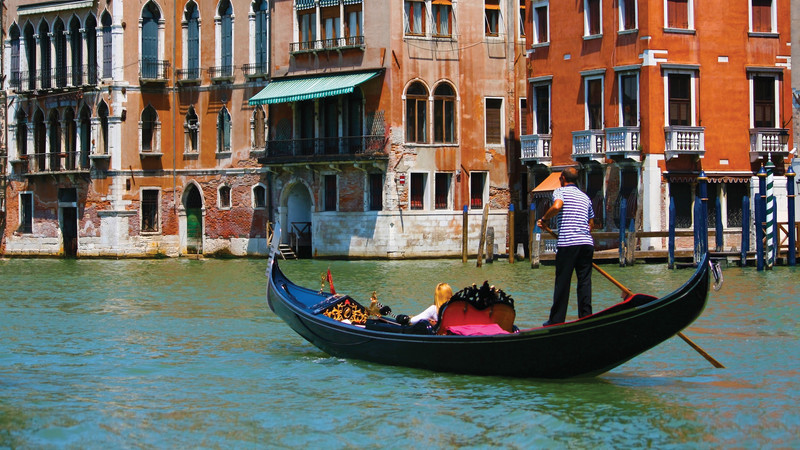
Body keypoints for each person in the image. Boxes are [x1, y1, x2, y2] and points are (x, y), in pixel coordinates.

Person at [536, 167, 595, 326]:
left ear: (562, 178)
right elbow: (591, 224)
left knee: (562, 282)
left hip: (568, 243)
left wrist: (544, 218)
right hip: (586, 243)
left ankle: (556, 321)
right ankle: (586, 318)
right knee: (584, 283)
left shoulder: (560, 192)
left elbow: (556, 207)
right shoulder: (585, 197)